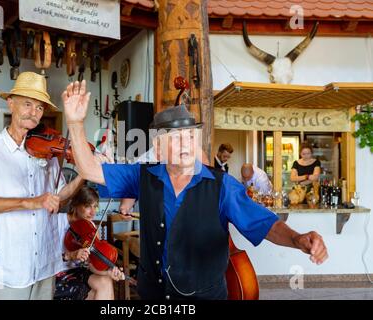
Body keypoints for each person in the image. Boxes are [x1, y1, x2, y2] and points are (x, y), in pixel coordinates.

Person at [62, 80, 328, 300]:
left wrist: (297, 239)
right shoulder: (143, 176)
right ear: (158, 147)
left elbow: (265, 223)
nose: (187, 143)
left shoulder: (221, 185)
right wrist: (75, 123)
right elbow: (89, 170)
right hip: (154, 294)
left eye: (191, 135)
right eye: (176, 138)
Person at [0, 72, 86, 300]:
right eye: (27, 103)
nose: (33, 112)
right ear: (11, 103)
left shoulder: (48, 153)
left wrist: (83, 175)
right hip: (7, 269)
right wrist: (29, 201)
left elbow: (60, 197)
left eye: (39, 107)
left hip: (44, 266)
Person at [55, 182, 124, 300]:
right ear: (75, 205)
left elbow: (91, 264)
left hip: (79, 271)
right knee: (95, 294)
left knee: (106, 281)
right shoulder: (56, 222)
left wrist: (108, 272)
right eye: (88, 206)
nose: (93, 212)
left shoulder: (90, 228)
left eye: (95, 206)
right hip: (57, 272)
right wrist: (70, 255)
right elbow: (43, 257)